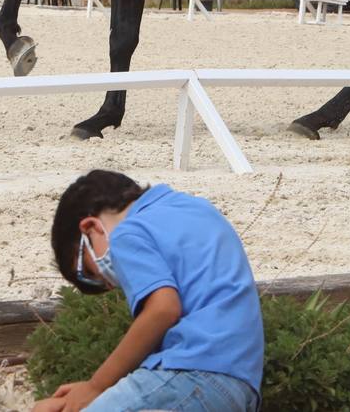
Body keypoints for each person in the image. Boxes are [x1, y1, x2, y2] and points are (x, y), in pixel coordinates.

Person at [34, 170, 263, 412]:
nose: (111, 284)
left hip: (191, 373)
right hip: (241, 386)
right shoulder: (194, 207)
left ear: (91, 227)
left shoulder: (126, 233)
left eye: (89, 274)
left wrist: (95, 386)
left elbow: (163, 309)